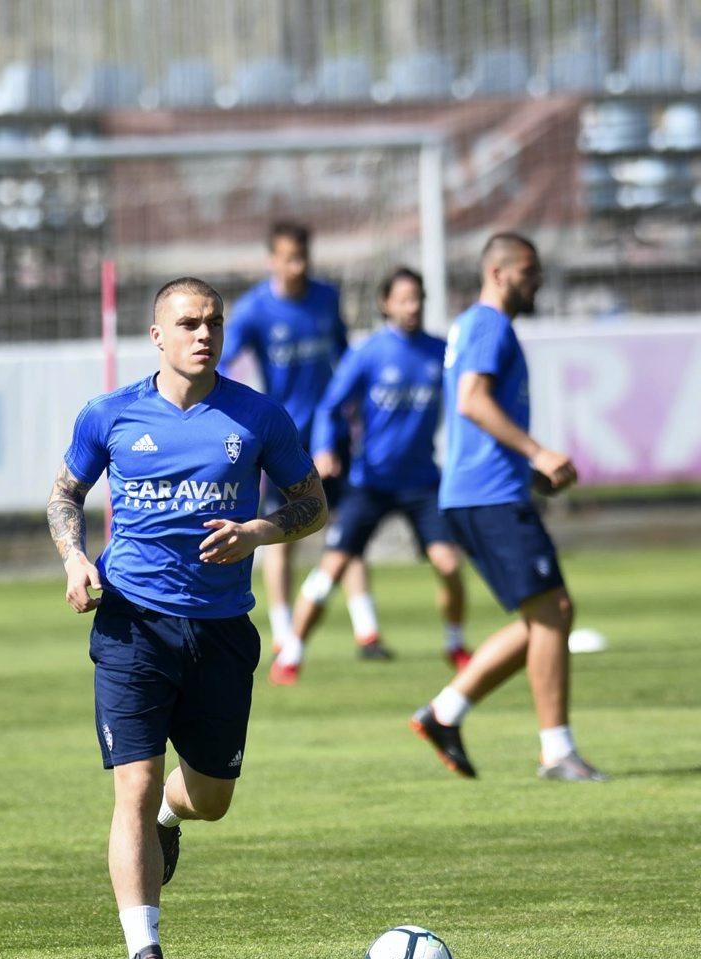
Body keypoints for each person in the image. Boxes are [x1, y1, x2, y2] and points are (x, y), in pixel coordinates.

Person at [46, 277, 327, 959]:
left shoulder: (259, 415)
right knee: (132, 786)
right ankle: (145, 953)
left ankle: (176, 817)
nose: (204, 334)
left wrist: (257, 531)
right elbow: (64, 495)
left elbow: (312, 504)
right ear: (157, 336)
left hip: (221, 632)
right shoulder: (108, 414)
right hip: (131, 625)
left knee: (212, 797)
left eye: (214, 323)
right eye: (189, 322)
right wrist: (76, 558)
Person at [408, 233, 608, 782]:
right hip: (486, 493)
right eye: (528, 269)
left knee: (547, 616)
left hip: (490, 490)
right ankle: (556, 751)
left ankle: (444, 714)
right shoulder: (488, 324)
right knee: (553, 613)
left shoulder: (480, 326)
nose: (536, 279)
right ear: (498, 273)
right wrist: (538, 451)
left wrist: (529, 469)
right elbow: (473, 400)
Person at [270, 266, 471, 685]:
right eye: (403, 298)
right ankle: (291, 653)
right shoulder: (368, 353)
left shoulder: (441, 352)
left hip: (421, 483)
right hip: (371, 483)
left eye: (418, 298)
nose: (412, 306)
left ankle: (455, 643)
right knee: (332, 570)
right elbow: (330, 406)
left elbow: (467, 402)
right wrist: (324, 448)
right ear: (386, 304)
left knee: (449, 564)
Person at [219, 219, 391, 662]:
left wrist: (350, 415)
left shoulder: (326, 299)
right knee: (282, 533)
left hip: (329, 436)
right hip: (282, 440)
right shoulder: (256, 309)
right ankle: (282, 631)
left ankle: (366, 630)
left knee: (344, 527)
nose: (296, 266)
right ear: (273, 259)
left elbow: (344, 360)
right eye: (288, 258)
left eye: (302, 257)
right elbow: (226, 357)